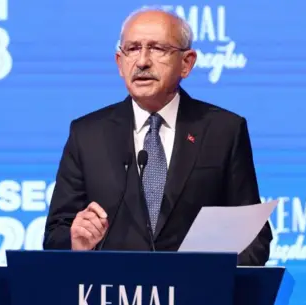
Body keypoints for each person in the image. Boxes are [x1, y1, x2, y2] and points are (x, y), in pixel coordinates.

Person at [42, 7, 272, 266]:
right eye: (132, 49)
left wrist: (213, 280)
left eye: (157, 49)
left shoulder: (223, 130)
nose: (142, 61)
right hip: (111, 298)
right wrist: (75, 241)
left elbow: (254, 237)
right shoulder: (87, 134)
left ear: (186, 63)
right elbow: (55, 234)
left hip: (194, 298)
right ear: (119, 62)